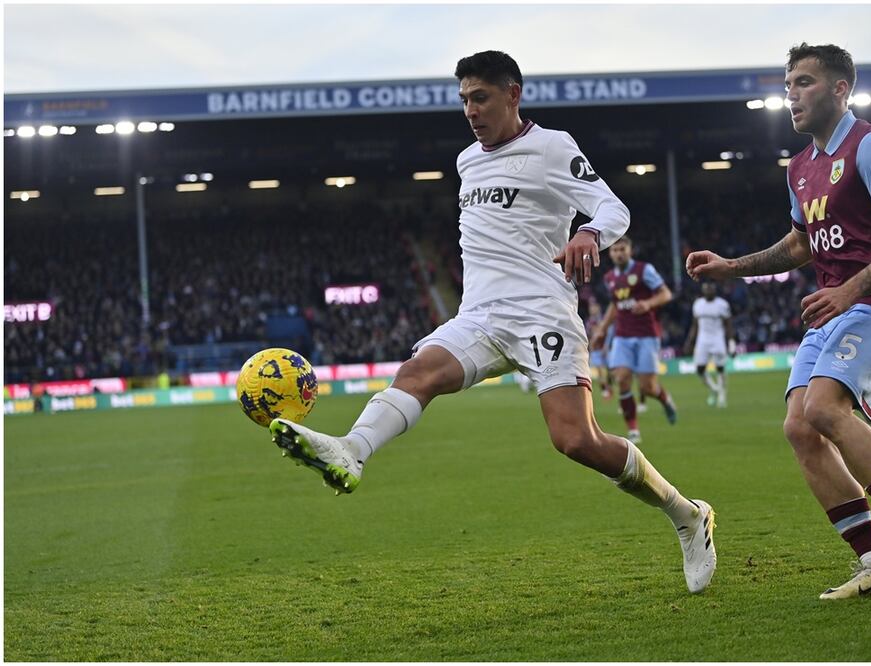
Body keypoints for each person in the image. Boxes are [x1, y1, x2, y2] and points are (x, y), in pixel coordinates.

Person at [269, 50, 716, 594]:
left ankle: (687, 515)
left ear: (513, 94)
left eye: (480, 97)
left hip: (541, 311)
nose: (470, 110)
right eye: (463, 100)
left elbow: (613, 208)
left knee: (576, 440)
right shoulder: (466, 161)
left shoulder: (551, 147)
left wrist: (588, 234)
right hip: (479, 314)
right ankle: (351, 451)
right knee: (416, 372)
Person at [686, 43, 871, 600]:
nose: (791, 95)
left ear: (839, 89)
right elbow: (801, 245)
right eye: (788, 85)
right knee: (799, 427)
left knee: (824, 407)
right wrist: (731, 267)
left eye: (804, 83)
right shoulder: (800, 167)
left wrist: (850, 289)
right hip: (834, 311)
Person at [591, 236, 678, 444]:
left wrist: (648, 304)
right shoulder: (609, 277)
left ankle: (665, 399)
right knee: (621, 379)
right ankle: (633, 430)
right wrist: (602, 330)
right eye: (615, 250)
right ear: (610, 254)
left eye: (622, 249)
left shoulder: (644, 270)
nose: (619, 253)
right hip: (622, 335)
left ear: (630, 250)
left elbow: (666, 294)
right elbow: (615, 304)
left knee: (648, 388)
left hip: (647, 334)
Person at [683, 282, 734, 407]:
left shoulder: (722, 304)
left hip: (718, 339)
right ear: (703, 290)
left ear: (715, 289)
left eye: (711, 288)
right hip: (702, 340)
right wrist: (690, 342)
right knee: (699, 369)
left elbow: (728, 325)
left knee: (720, 368)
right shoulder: (698, 304)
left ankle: (722, 395)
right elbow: (695, 325)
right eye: (706, 289)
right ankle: (715, 389)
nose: (708, 291)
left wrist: (731, 343)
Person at [584, 299, 613, 399]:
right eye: (591, 307)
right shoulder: (589, 322)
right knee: (600, 370)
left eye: (594, 307)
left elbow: (608, 333)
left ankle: (610, 386)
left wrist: (606, 346)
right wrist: (589, 346)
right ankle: (605, 390)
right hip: (595, 350)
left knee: (611, 370)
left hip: (605, 349)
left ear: (598, 308)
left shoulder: (603, 320)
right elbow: (587, 335)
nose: (592, 309)